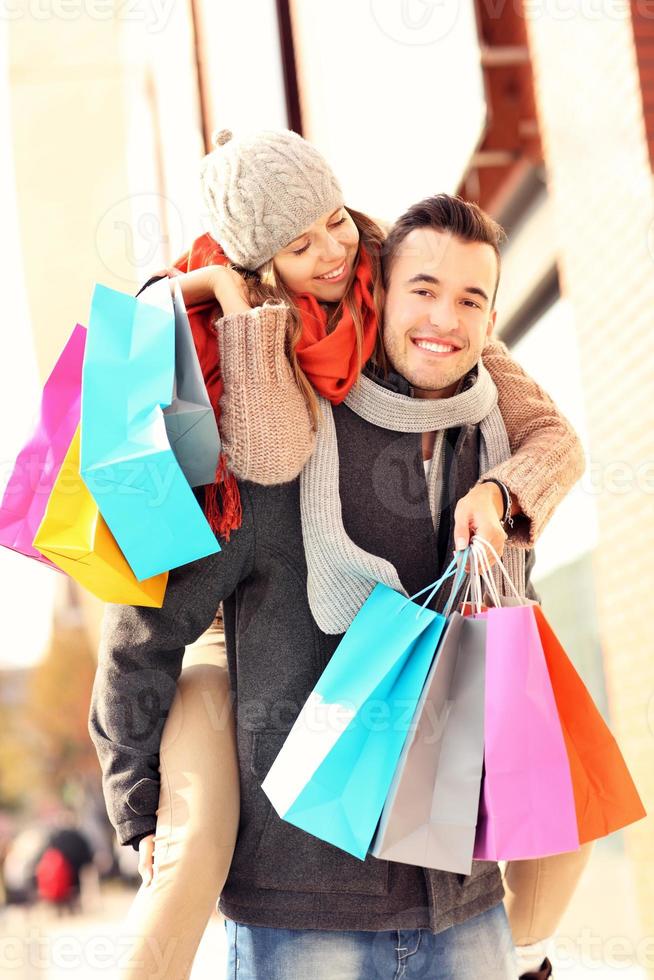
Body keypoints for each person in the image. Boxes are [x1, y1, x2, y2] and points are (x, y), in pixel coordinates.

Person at [91, 132, 588, 980]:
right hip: (302, 907)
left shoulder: (484, 433)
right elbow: (147, 623)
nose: (443, 318)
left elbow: (506, 664)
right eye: (422, 291)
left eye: (471, 300)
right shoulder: (270, 439)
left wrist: (505, 497)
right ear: (385, 294)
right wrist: (139, 807)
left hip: (460, 904)